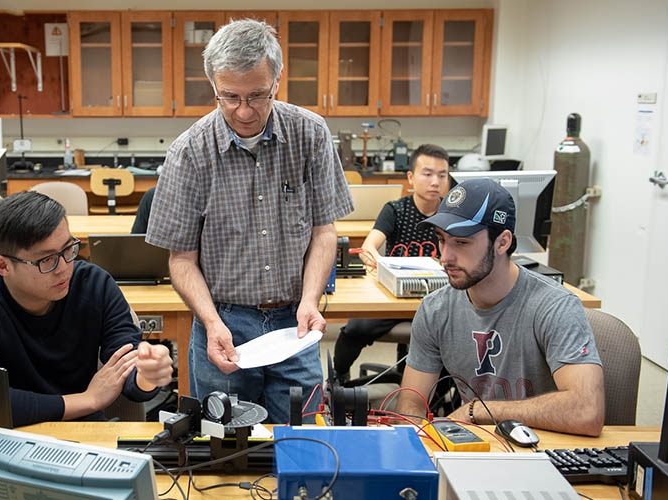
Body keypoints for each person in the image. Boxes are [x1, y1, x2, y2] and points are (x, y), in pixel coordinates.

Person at [145, 19, 353, 424]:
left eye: (257, 96)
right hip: (223, 323)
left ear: (277, 80)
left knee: (303, 442)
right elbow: (181, 261)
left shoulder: (310, 134)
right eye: (230, 97)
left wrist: (310, 301)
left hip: (294, 323)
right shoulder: (189, 153)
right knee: (225, 452)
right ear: (214, 88)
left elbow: (324, 233)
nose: (244, 111)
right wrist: (210, 322)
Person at [0, 191, 174, 427]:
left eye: (68, 249)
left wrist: (146, 375)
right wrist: (87, 401)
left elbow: (126, 363)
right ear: (3, 266)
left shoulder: (93, 284)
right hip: (5, 435)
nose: (64, 268)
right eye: (47, 260)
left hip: (84, 436)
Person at [395, 178, 605, 436]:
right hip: (476, 450)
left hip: (546, 454)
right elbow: (410, 405)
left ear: (503, 242)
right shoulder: (435, 310)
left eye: (461, 242)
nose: (445, 257)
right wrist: (419, 437)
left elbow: (587, 411)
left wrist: (477, 411)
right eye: (442, 240)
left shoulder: (554, 306)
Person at [333, 144, 450, 384]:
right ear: (410, 177)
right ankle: (338, 377)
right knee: (355, 329)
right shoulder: (396, 210)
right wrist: (382, 266)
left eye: (442, 175)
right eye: (427, 174)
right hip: (395, 298)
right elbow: (368, 249)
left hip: (438, 300)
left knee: (455, 338)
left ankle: (440, 394)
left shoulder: (452, 215)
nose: (435, 181)